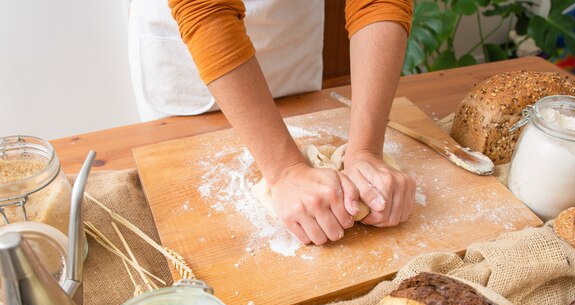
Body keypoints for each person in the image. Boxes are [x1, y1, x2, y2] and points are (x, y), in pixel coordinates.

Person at [128, 0, 416, 245]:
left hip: (290, 37)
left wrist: (366, 150)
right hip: (196, 51)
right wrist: (284, 170)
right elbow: (205, 7)